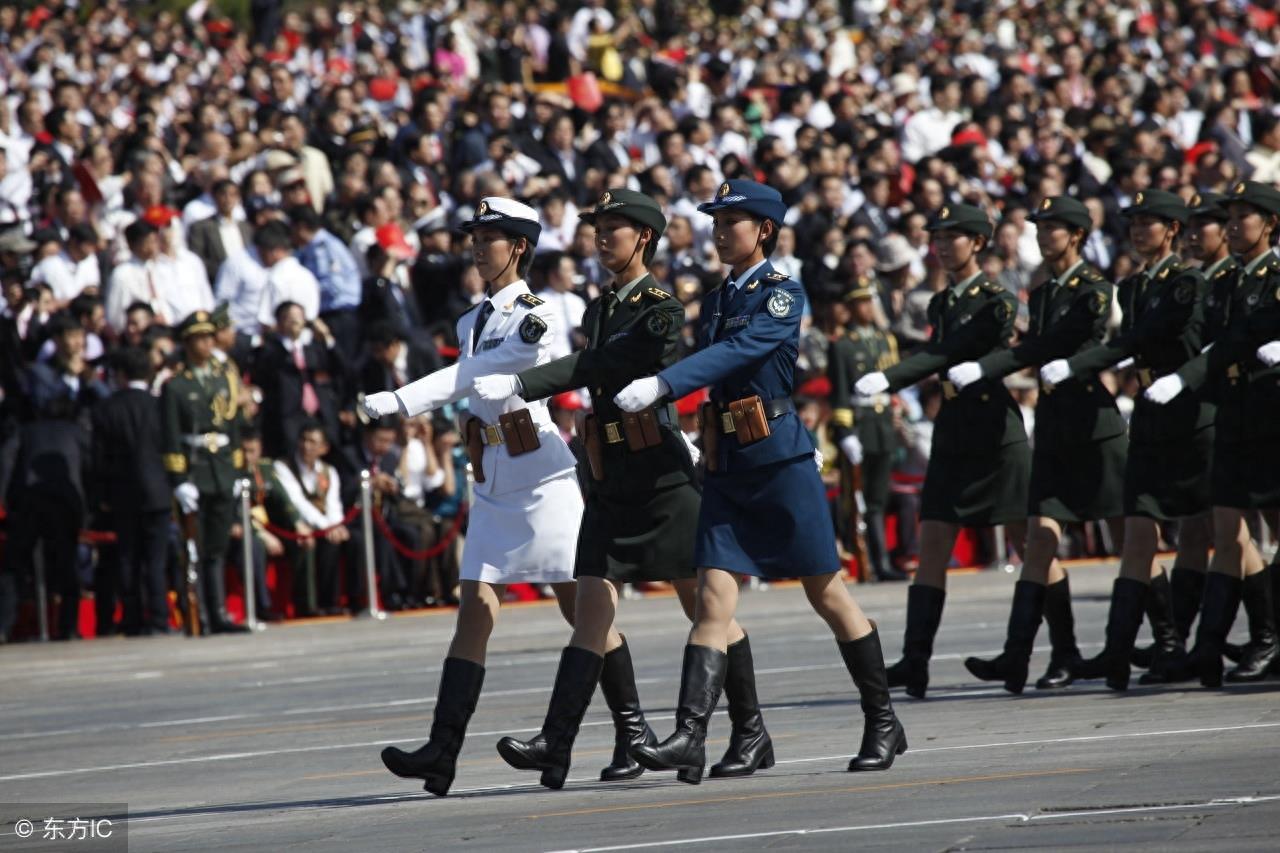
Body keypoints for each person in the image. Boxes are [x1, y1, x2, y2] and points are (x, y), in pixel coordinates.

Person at [613, 179, 905, 783]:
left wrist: (666, 386)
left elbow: (740, 354)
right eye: (716, 223)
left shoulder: (780, 294)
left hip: (776, 460)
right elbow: (709, 365)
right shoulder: (719, 298)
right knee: (711, 600)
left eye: (732, 222)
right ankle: (695, 735)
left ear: (763, 230)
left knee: (827, 594)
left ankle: (882, 720)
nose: (719, 232)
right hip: (727, 464)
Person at [477, 188, 764, 790]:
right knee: (590, 607)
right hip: (610, 473)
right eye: (598, 228)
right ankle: (568, 738)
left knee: (702, 605)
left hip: (659, 472)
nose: (602, 237)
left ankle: (749, 729)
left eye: (615, 228)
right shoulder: (601, 305)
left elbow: (598, 368)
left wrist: (523, 383)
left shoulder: (658, 306)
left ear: (645, 239)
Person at [362, 197, 583, 796]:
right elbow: (470, 377)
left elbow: (469, 378)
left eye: (489, 238)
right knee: (474, 610)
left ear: (519, 248)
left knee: (582, 611)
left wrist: (403, 399)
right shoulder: (470, 320)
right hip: (491, 478)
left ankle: (625, 732)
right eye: (474, 237)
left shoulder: (539, 315)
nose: (476, 247)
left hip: (540, 476)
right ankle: (442, 750)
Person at [949, 195, 1128, 693]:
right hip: (1054, 426)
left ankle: (1164, 643)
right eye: (1039, 227)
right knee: (1040, 538)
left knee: (1130, 540)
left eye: (1052, 227)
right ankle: (1036, 654)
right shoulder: (1043, 290)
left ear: (1075, 234)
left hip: (1094, 427)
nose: (1043, 234)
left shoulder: (1093, 287)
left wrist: (990, 366)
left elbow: (1053, 346)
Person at [1039, 190, 1213, 690]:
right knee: (1139, 534)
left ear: (1173, 230)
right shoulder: (1133, 286)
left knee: (1213, 535)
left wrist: (1081, 363)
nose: (1139, 231)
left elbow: (1146, 337)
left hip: (1191, 412)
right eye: (1133, 223)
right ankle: (1124, 652)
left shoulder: (1187, 282)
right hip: (1152, 416)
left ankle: (1211, 643)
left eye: (1150, 223)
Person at [854, 203, 1029, 697]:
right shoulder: (941, 301)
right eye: (938, 236)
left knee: (1030, 544)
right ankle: (916, 659)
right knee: (932, 543)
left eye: (954, 236)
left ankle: (1037, 652)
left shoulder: (996, 298)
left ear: (978, 242)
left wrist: (890, 377)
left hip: (994, 428)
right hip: (954, 426)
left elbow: (950, 351)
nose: (942, 244)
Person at [1144, 180, 1280, 686]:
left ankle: (1267, 639)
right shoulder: (1225, 281)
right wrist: (1184, 376)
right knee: (1227, 533)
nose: (1232, 225)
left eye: (1244, 216)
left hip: (1270, 413)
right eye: (1231, 216)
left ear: (1268, 223)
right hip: (1235, 413)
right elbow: (1220, 343)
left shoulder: (1275, 273)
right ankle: (1209, 648)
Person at [160, 309, 250, 634]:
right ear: (186, 343)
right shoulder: (176, 387)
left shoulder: (221, 379)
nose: (206, 343)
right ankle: (197, 617)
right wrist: (180, 480)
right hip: (195, 469)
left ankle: (219, 612)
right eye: (199, 338)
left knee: (217, 546)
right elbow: (171, 436)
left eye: (209, 337)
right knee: (193, 549)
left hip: (221, 467)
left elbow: (233, 426)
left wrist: (239, 469)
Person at [829, 278, 907, 582]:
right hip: (859, 426)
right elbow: (839, 393)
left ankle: (882, 561)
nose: (867, 307)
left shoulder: (884, 340)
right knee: (857, 502)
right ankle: (867, 563)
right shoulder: (843, 346)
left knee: (878, 498)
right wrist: (845, 432)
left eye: (869, 300)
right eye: (860, 301)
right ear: (850, 307)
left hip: (882, 425)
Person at [91, 347, 174, 636]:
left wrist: (102, 494)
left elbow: (98, 457)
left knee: (128, 557)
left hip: (122, 492)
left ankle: (133, 618)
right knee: (155, 559)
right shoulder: (159, 405)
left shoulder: (106, 408)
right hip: (159, 490)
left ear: (121, 375)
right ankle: (160, 618)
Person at [274, 420, 347, 616]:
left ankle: (330, 602)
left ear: (323, 448)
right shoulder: (284, 467)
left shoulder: (328, 471)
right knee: (307, 543)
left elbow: (333, 503)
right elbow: (298, 502)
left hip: (322, 526)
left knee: (336, 542)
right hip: (294, 524)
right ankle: (306, 605)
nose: (307, 446)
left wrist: (336, 525)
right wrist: (327, 527)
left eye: (313, 442)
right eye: (304, 440)